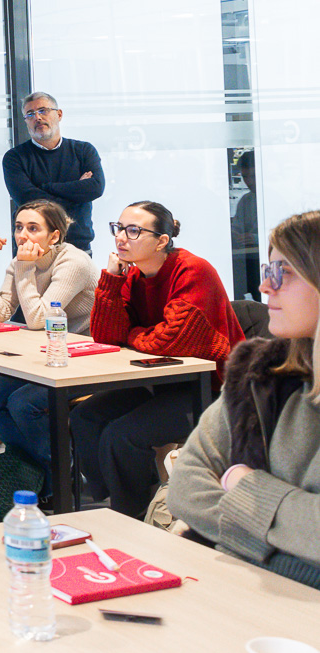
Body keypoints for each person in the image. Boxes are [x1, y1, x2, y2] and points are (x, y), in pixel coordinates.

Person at [168, 211, 320, 588]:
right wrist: (285, 542)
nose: (265, 286)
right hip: (243, 590)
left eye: (283, 272)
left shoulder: (189, 273)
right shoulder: (260, 373)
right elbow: (184, 486)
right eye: (270, 271)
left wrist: (247, 486)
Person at [70, 200, 245, 517]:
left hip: (213, 389)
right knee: (85, 417)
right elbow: (105, 333)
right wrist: (111, 278)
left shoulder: (193, 270)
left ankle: (132, 513)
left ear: (162, 240)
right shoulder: (132, 275)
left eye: (134, 230)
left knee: (120, 435)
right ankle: (116, 500)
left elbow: (173, 338)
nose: (121, 237)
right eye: (118, 228)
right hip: (161, 381)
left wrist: (132, 334)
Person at [0, 200, 99, 478]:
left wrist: (25, 270)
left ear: (54, 236)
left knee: (22, 403)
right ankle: (32, 469)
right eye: (19, 227)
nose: (22, 236)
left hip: (86, 356)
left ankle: (58, 475)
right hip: (46, 354)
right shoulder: (21, 261)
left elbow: (39, 319)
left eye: (33, 228)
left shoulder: (73, 261)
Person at [2, 92, 105, 253]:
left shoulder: (84, 150)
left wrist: (47, 188)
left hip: (77, 246)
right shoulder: (15, 157)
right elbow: (28, 200)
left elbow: (95, 188)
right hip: (31, 248)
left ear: (59, 114)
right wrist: (77, 190)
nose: (37, 117)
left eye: (43, 110)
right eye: (30, 114)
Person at [231, 150, 260, 300]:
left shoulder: (274, 197)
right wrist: (234, 233)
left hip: (259, 257)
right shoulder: (245, 200)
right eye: (245, 177)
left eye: (253, 176)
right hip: (245, 257)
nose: (249, 181)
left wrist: (255, 238)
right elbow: (237, 226)